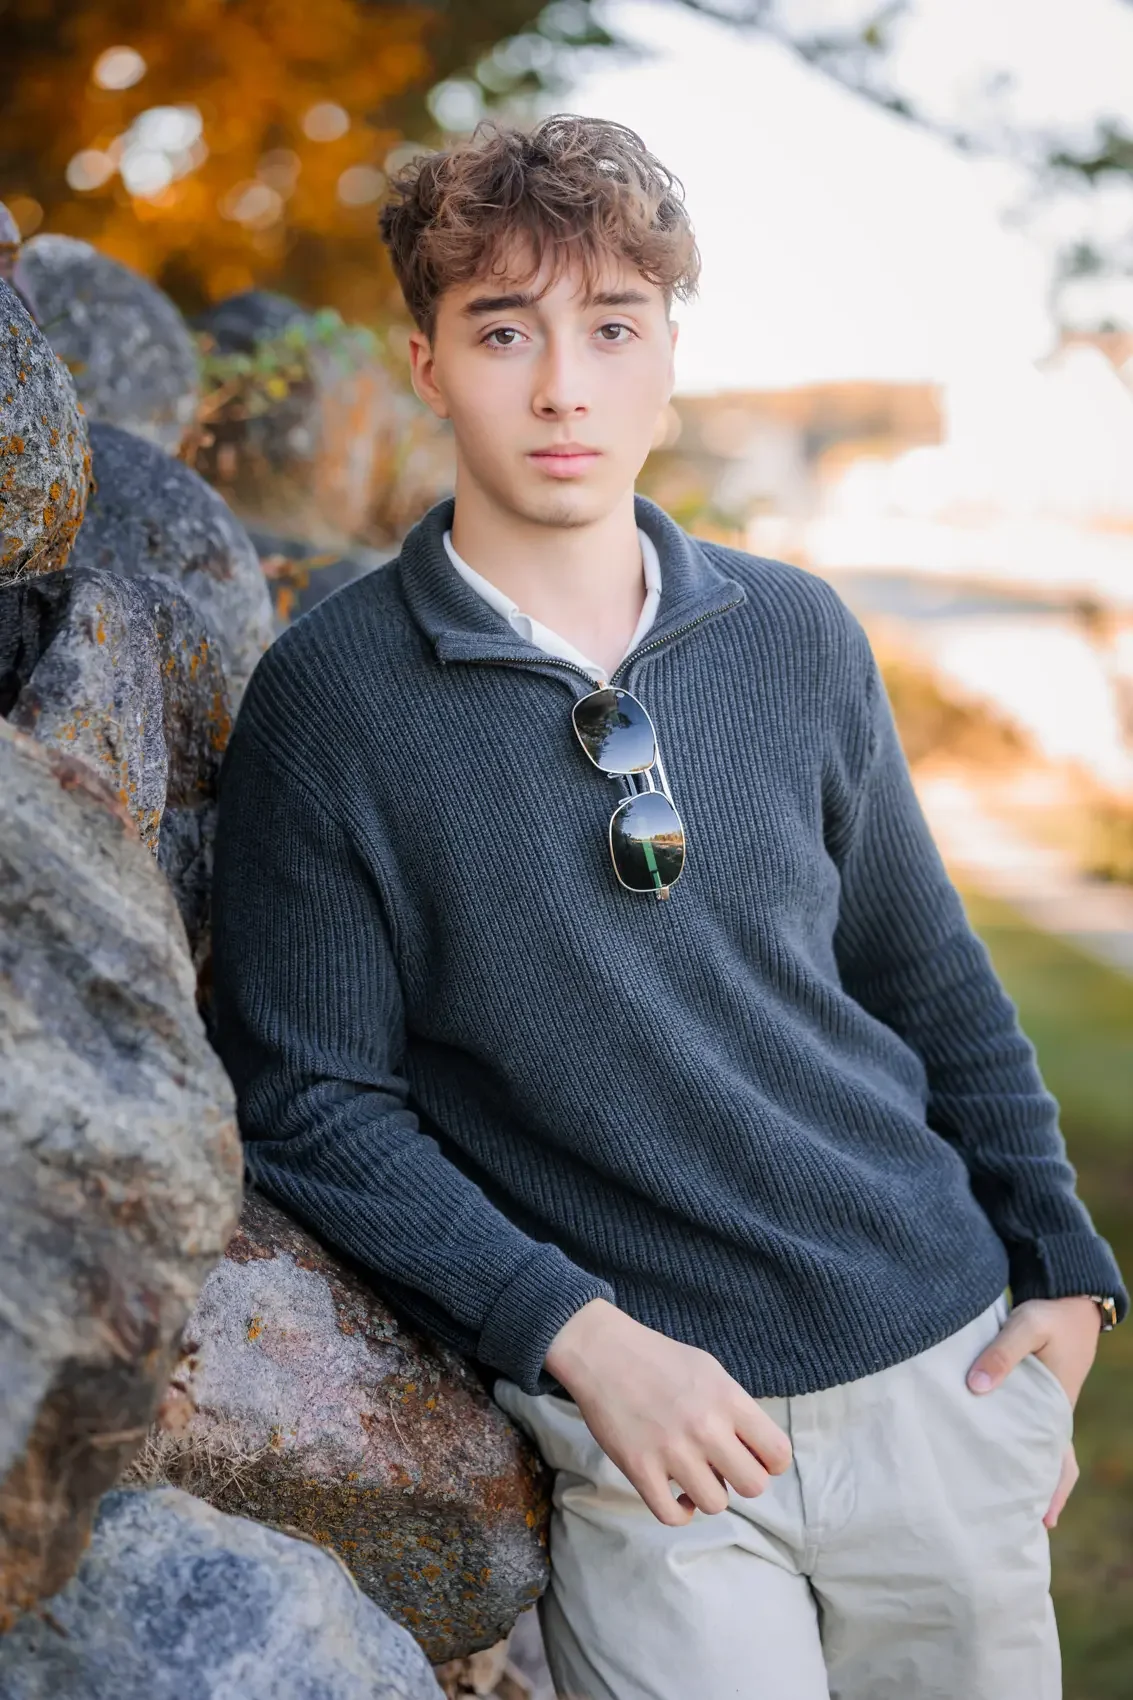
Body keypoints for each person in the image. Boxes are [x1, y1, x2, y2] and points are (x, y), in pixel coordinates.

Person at [209, 114, 1126, 1700]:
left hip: (934, 1361)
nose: (563, 385)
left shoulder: (799, 633)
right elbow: (312, 1102)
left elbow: (925, 971)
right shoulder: (332, 703)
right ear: (426, 362)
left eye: (611, 328)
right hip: (650, 1431)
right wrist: (574, 1333)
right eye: (505, 331)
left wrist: (1063, 1259)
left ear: (668, 358)